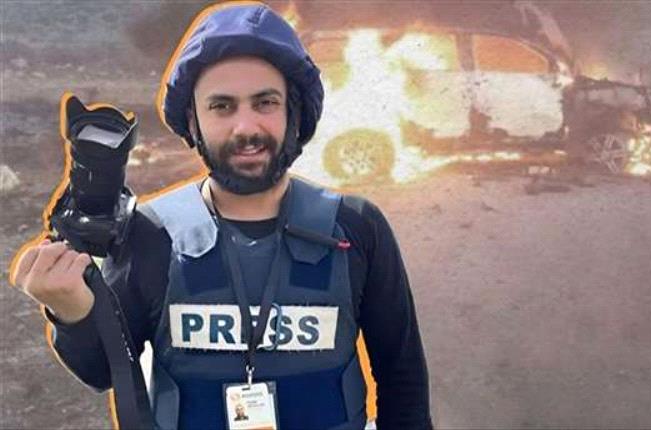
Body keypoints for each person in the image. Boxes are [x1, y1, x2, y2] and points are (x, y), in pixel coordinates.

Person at [11, 3, 432, 429]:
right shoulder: (151, 233)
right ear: (192, 121)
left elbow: (403, 382)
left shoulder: (356, 227)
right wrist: (72, 311)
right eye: (222, 106)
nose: (245, 127)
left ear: (294, 113)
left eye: (265, 102)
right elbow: (103, 370)